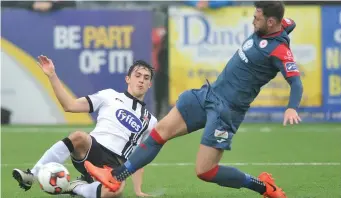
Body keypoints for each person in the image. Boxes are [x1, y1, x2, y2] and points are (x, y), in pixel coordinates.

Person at [84, 1, 303, 198]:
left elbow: (296, 83)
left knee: (205, 171)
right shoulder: (281, 23)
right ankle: (115, 176)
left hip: (226, 111)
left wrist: (291, 108)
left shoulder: (280, 51)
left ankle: (264, 187)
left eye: (257, 18)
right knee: (159, 132)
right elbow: (289, 22)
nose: (252, 20)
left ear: (271, 22)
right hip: (208, 94)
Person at [12, 55, 157, 198]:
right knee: (79, 136)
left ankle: (77, 187)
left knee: (115, 192)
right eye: (137, 75)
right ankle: (32, 175)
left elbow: (140, 157)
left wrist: (138, 191)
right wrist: (52, 75)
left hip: (116, 165)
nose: (141, 80)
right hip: (92, 150)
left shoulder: (151, 121)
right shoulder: (109, 96)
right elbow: (69, 105)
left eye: (146, 78)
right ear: (128, 79)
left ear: (150, 84)